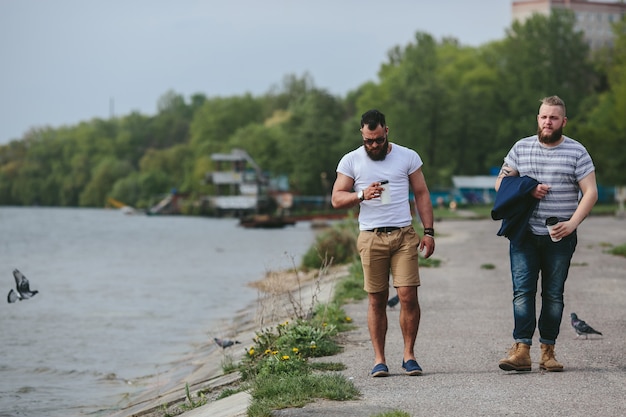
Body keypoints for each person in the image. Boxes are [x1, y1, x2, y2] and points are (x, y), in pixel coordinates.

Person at [494, 95, 598, 372]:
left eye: (553, 117)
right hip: (524, 234)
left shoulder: (577, 152)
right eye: (543, 116)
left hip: (560, 236)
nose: (547, 122)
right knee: (522, 293)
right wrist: (527, 187)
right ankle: (522, 350)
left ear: (563, 121)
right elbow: (500, 184)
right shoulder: (521, 148)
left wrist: (572, 223)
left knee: (553, 295)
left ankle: (548, 351)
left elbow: (591, 193)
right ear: (537, 118)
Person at [331, 109, 435, 377]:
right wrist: (361, 194)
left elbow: (422, 193)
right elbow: (336, 198)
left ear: (386, 131)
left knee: (407, 296)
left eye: (378, 139)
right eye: (368, 140)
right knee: (376, 300)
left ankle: (409, 355)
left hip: (403, 235)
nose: (373, 145)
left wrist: (429, 231)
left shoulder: (408, 156)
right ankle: (379, 359)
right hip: (371, 236)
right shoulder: (351, 161)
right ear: (362, 135)